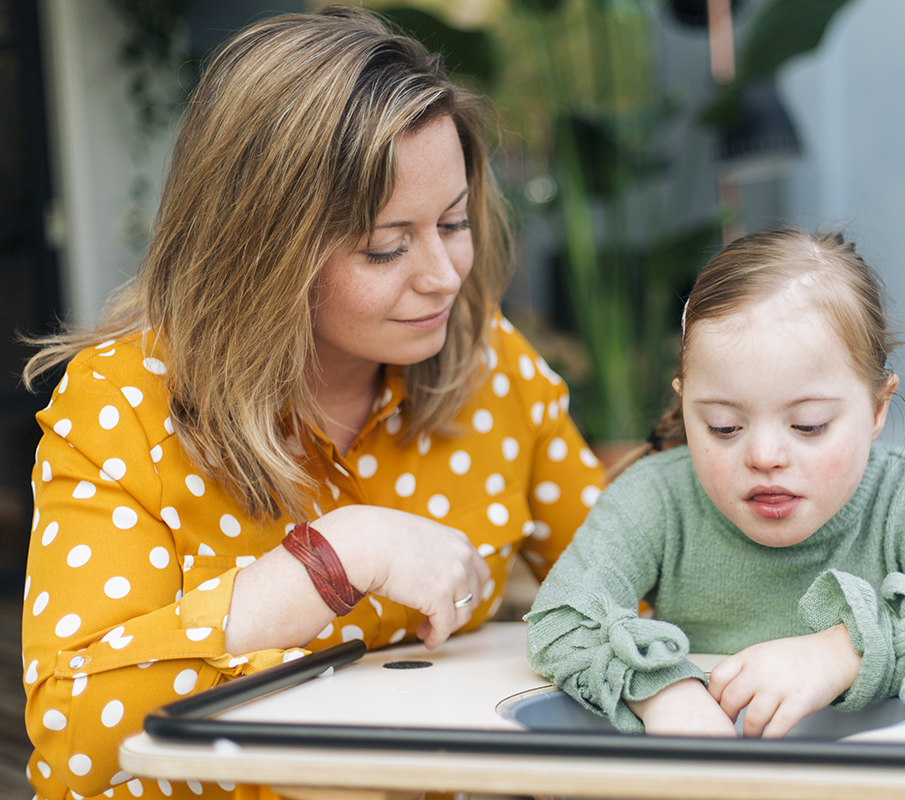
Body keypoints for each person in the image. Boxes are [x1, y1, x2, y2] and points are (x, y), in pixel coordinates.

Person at [21, 8, 604, 800]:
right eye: (386, 246)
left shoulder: (493, 366)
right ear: (261, 250)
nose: (443, 275)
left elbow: (631, 587)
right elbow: (79, 746)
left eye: (455, 221)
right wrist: (339, 556)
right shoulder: (122, 404)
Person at [526, 227, 905, 738]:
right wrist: (659, 689)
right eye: (723, 427)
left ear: (876, 408)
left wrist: (846, 651)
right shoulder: (656, 498)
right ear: (684, 403)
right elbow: (561, 618)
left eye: (808, 425)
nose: (764, 456)